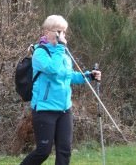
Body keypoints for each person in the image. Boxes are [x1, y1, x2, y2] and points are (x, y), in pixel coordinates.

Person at [20, 15, 101, 165]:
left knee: (65, 151)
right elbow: (52, 69)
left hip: (64, 109)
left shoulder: (63, 53)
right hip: (44, 109)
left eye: (63, 31)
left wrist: (89, 76)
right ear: (46, 32)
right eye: (57, 31)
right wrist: (60, 48)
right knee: (43, 151)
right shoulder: (40, 53)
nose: (61, 35)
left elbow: (68, 76)